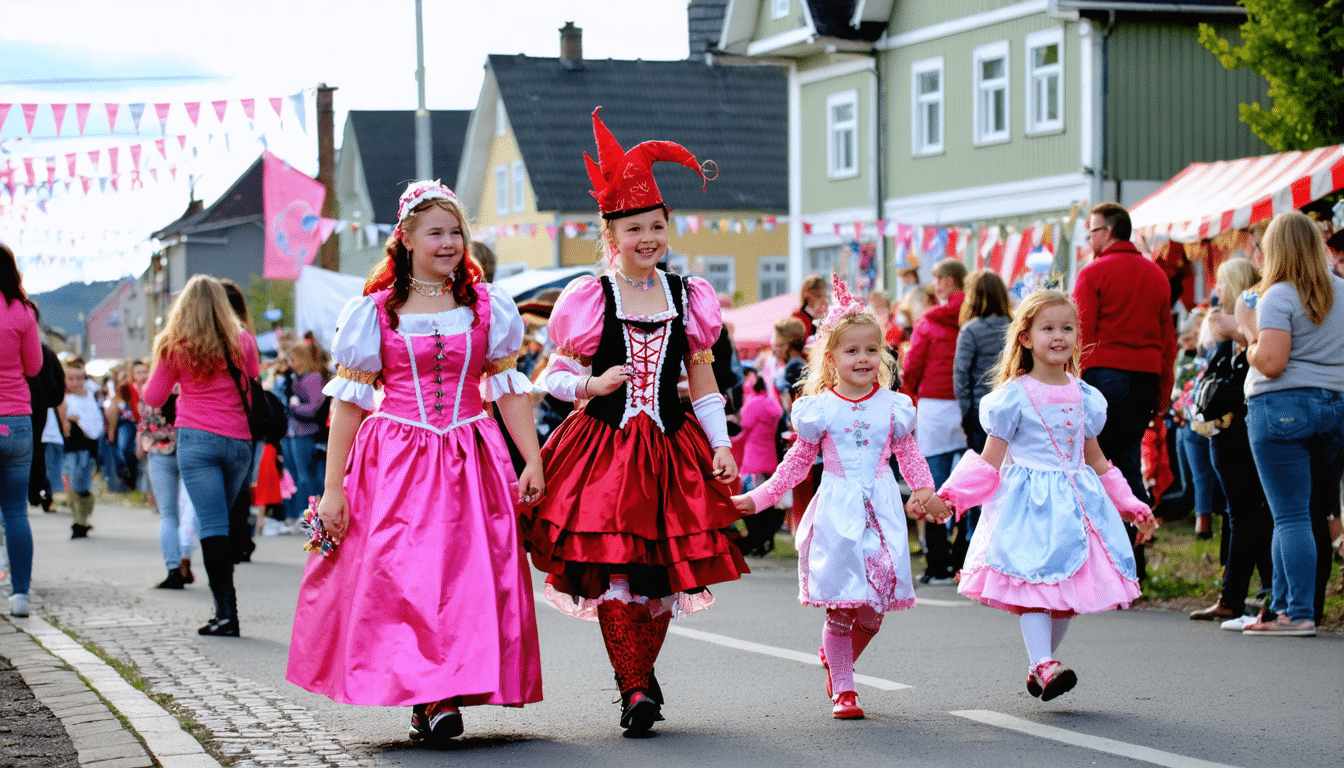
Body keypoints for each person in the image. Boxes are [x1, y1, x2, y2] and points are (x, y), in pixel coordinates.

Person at [287, 180, 544, 746]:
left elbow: (508, 390)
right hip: (397, 460)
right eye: (436, 232)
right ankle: (430, 697)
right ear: (405, 239)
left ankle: (443, 694)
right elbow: (348, 406)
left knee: (467, 578)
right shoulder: (376, 313)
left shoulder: (485, 307)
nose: (449, 242)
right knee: (408, 579)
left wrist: (533, 459)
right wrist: (333, 489)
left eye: (456, 232)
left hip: (470, 453)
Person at [521, 108, 748, 735]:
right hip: (605, 447)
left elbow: (701, 378)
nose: (647, 237)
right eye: (634, 228)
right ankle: (636, 687)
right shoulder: (589, 297)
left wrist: (721, 445)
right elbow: (552, 376)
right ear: (611, 235)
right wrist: (592, 384)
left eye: (656, 226)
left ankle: (640, 680)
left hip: (673, 446)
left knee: (658, 574)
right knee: (617, 566)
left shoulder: (687, 295)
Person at [732, 279, 943, 720]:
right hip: (837, 511)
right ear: (830, 358)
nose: (863, 359)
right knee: (844, 605)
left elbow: (910, 456)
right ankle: (844, 689)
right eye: (852, 351)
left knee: (874, 610)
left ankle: (837, 658)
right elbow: (795, 464)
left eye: (871, 350)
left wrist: (927, 492)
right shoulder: (819, 408)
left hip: (882, 510)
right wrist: (759, 497)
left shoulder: (895, 405)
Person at [930, 290, 1157, 701]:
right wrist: (952, 498)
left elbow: (1099, 462)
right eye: (1048, 328)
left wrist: (1132, 504)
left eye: (1067, 328)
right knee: (1036, 583)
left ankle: (1041, 664)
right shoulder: (1013, 396)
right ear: (1025, 338)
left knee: (1064, 596)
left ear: (1078, 336)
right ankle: (1043, 663)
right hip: (1028, 505)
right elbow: (989, 461)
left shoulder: (1086, 397)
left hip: (1075, 505)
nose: (1059, 336)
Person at [1235, 211, 1344, 636]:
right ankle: (1281, 607)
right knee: (1307, 512)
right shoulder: (1340, 292)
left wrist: (1247, 337)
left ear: (1275, 250)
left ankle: (1296, 613)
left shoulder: (1278, 295)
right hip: (1334, 407)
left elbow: (1272, 362)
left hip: (1281, 408)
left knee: (1291, 515)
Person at [143, 275, 259, 637]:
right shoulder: (243, 341)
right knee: (219, 520)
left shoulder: (174, 344)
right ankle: (225, 612)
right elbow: (253, 375)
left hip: (197, 441)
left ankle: (226, 614)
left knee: (212, 526)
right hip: (238, 442)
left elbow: (152, 397)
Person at [1073, 202, 1176, 580]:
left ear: (1110, 232)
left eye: (1093, 231)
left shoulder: (1093, 273)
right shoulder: (1156, 275)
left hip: (1106, 375)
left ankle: (1110, 565)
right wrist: (1163, 393)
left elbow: (1078, 335)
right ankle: (1133, 560)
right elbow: (1168, 340)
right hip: (1145, 377)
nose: (1090, 239)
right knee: (1127, 461)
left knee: (1099, 466)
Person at [1189, 258, 1273, 625]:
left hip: (1241, 430)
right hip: (1226, 433)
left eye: (1222, 284)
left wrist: (1233, 331)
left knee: (1247, 514)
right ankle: (1258, 590)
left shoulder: (1246, 324)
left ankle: (1237, 596)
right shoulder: (1226, 331)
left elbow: (1256, 368)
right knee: (1245, 514)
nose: (1216, 291)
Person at [902, 258, 969, 583]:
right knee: (971, 483)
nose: (936, 284)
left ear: (948, 281)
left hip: (933, 405)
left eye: (939, 279)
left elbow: (913, 366)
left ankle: (939, 564)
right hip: (967, 405)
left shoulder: (929, 321)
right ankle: (965, 558)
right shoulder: (973, 315)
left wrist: (910, 392)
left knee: (933, 483)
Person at [951, 270, 1012, 569]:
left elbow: (961, 374)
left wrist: (965, 412)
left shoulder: (971, 330)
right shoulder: (1015, 327)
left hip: (980, 411)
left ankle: (977, 553)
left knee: (981, 479)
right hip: (1014, 410)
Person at [0, 243, 42, 616]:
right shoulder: (24, 312)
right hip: (15, 420)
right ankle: (20, 596)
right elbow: (33, 367)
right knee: (15, 511)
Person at [279, 340, 329, 526]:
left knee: (309, 476)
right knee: (297, 476)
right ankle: (304, 513)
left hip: (307, 433)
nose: (289, 362)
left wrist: (293, 407)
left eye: (292, 358)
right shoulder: (295, 378)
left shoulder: (313, 378)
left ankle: (312, 514)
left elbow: (315, 406)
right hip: (293, 433)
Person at [61, 358, 103, 539]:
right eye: (71, 379)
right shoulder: (64, 400)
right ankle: (78, 521)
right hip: (71, 448)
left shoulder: (92, 397)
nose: (76, 382)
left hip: (89, 447)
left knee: (84, 482)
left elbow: (97, 423)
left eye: (79, 378)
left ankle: (83, 519)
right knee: (73, 481)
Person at [791, 274, 828, 341]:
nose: (822, 300)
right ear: (806, 294)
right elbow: (799, 342)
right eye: (818, 296)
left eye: (824, 296)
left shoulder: (827, 316)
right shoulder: (798, 316)